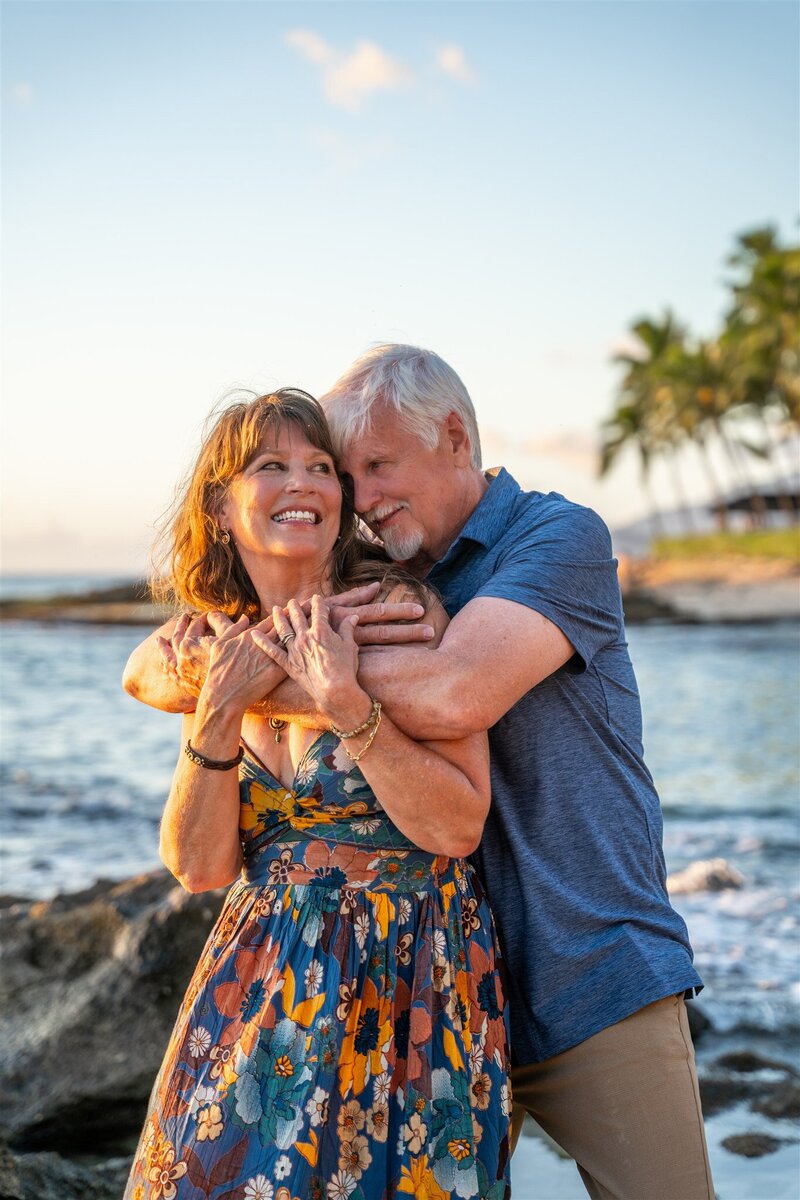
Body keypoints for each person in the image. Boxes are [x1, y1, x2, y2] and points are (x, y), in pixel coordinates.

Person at [127, 348, 715, 1200]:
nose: (357, 496)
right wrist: (201, 681)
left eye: (369, 465)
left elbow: (450, 693)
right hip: (432, 991)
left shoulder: (554, 540)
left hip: (587, 967)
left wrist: (253, 675)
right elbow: (148, 671)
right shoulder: (384, 579)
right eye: (346, 472)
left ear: (454, 436)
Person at [123, 388, 511, 1200]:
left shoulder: (396, 612)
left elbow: (458, 825)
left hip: (408, 977)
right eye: (273, 466)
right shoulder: (211, 644)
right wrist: (220, 705)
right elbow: (198, 868)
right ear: (223, 509)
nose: (304, 483)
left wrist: (347, 706)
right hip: (255, 983)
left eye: (320, 468)